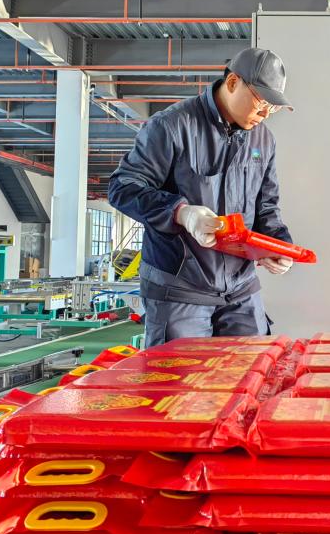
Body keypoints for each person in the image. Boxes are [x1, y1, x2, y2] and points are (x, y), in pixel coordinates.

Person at [108, 47, 296, 347]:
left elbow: (267, 207)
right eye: (262, 103)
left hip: (241, 289)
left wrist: (279, 245)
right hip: (179, 289)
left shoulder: (263, 140)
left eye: (273, 108)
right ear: (233, 82)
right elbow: (123, 187)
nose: (265, 114)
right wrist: (181, 213)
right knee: (182, 375)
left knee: (252, 368)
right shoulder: (172, 126)